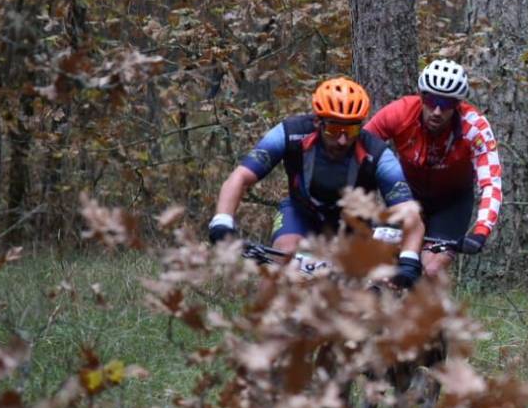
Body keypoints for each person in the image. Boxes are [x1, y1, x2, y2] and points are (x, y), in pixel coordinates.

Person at [208, 77, 427, 288]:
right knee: (282, 256)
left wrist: (409, 259)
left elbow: (409, 213)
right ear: (317, 122)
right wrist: (222, 220)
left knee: (364, 283)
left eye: (351, 130)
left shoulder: (377, 153)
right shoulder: (290, 133)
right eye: (334, 129)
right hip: (301, 212)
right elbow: (239, 178)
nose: (342, 140)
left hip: (352, 224)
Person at [364, 58, 503, 279]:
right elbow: (360, 152)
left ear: (457, 105)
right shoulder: (400, 113)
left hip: (451, 203)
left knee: (430, 270)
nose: (437, 111)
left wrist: (481, 231)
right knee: (387, 268)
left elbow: (491, 183)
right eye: (430, 100)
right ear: (421, 96)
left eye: (446, 103)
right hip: (407, 196)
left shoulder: (474, 128)